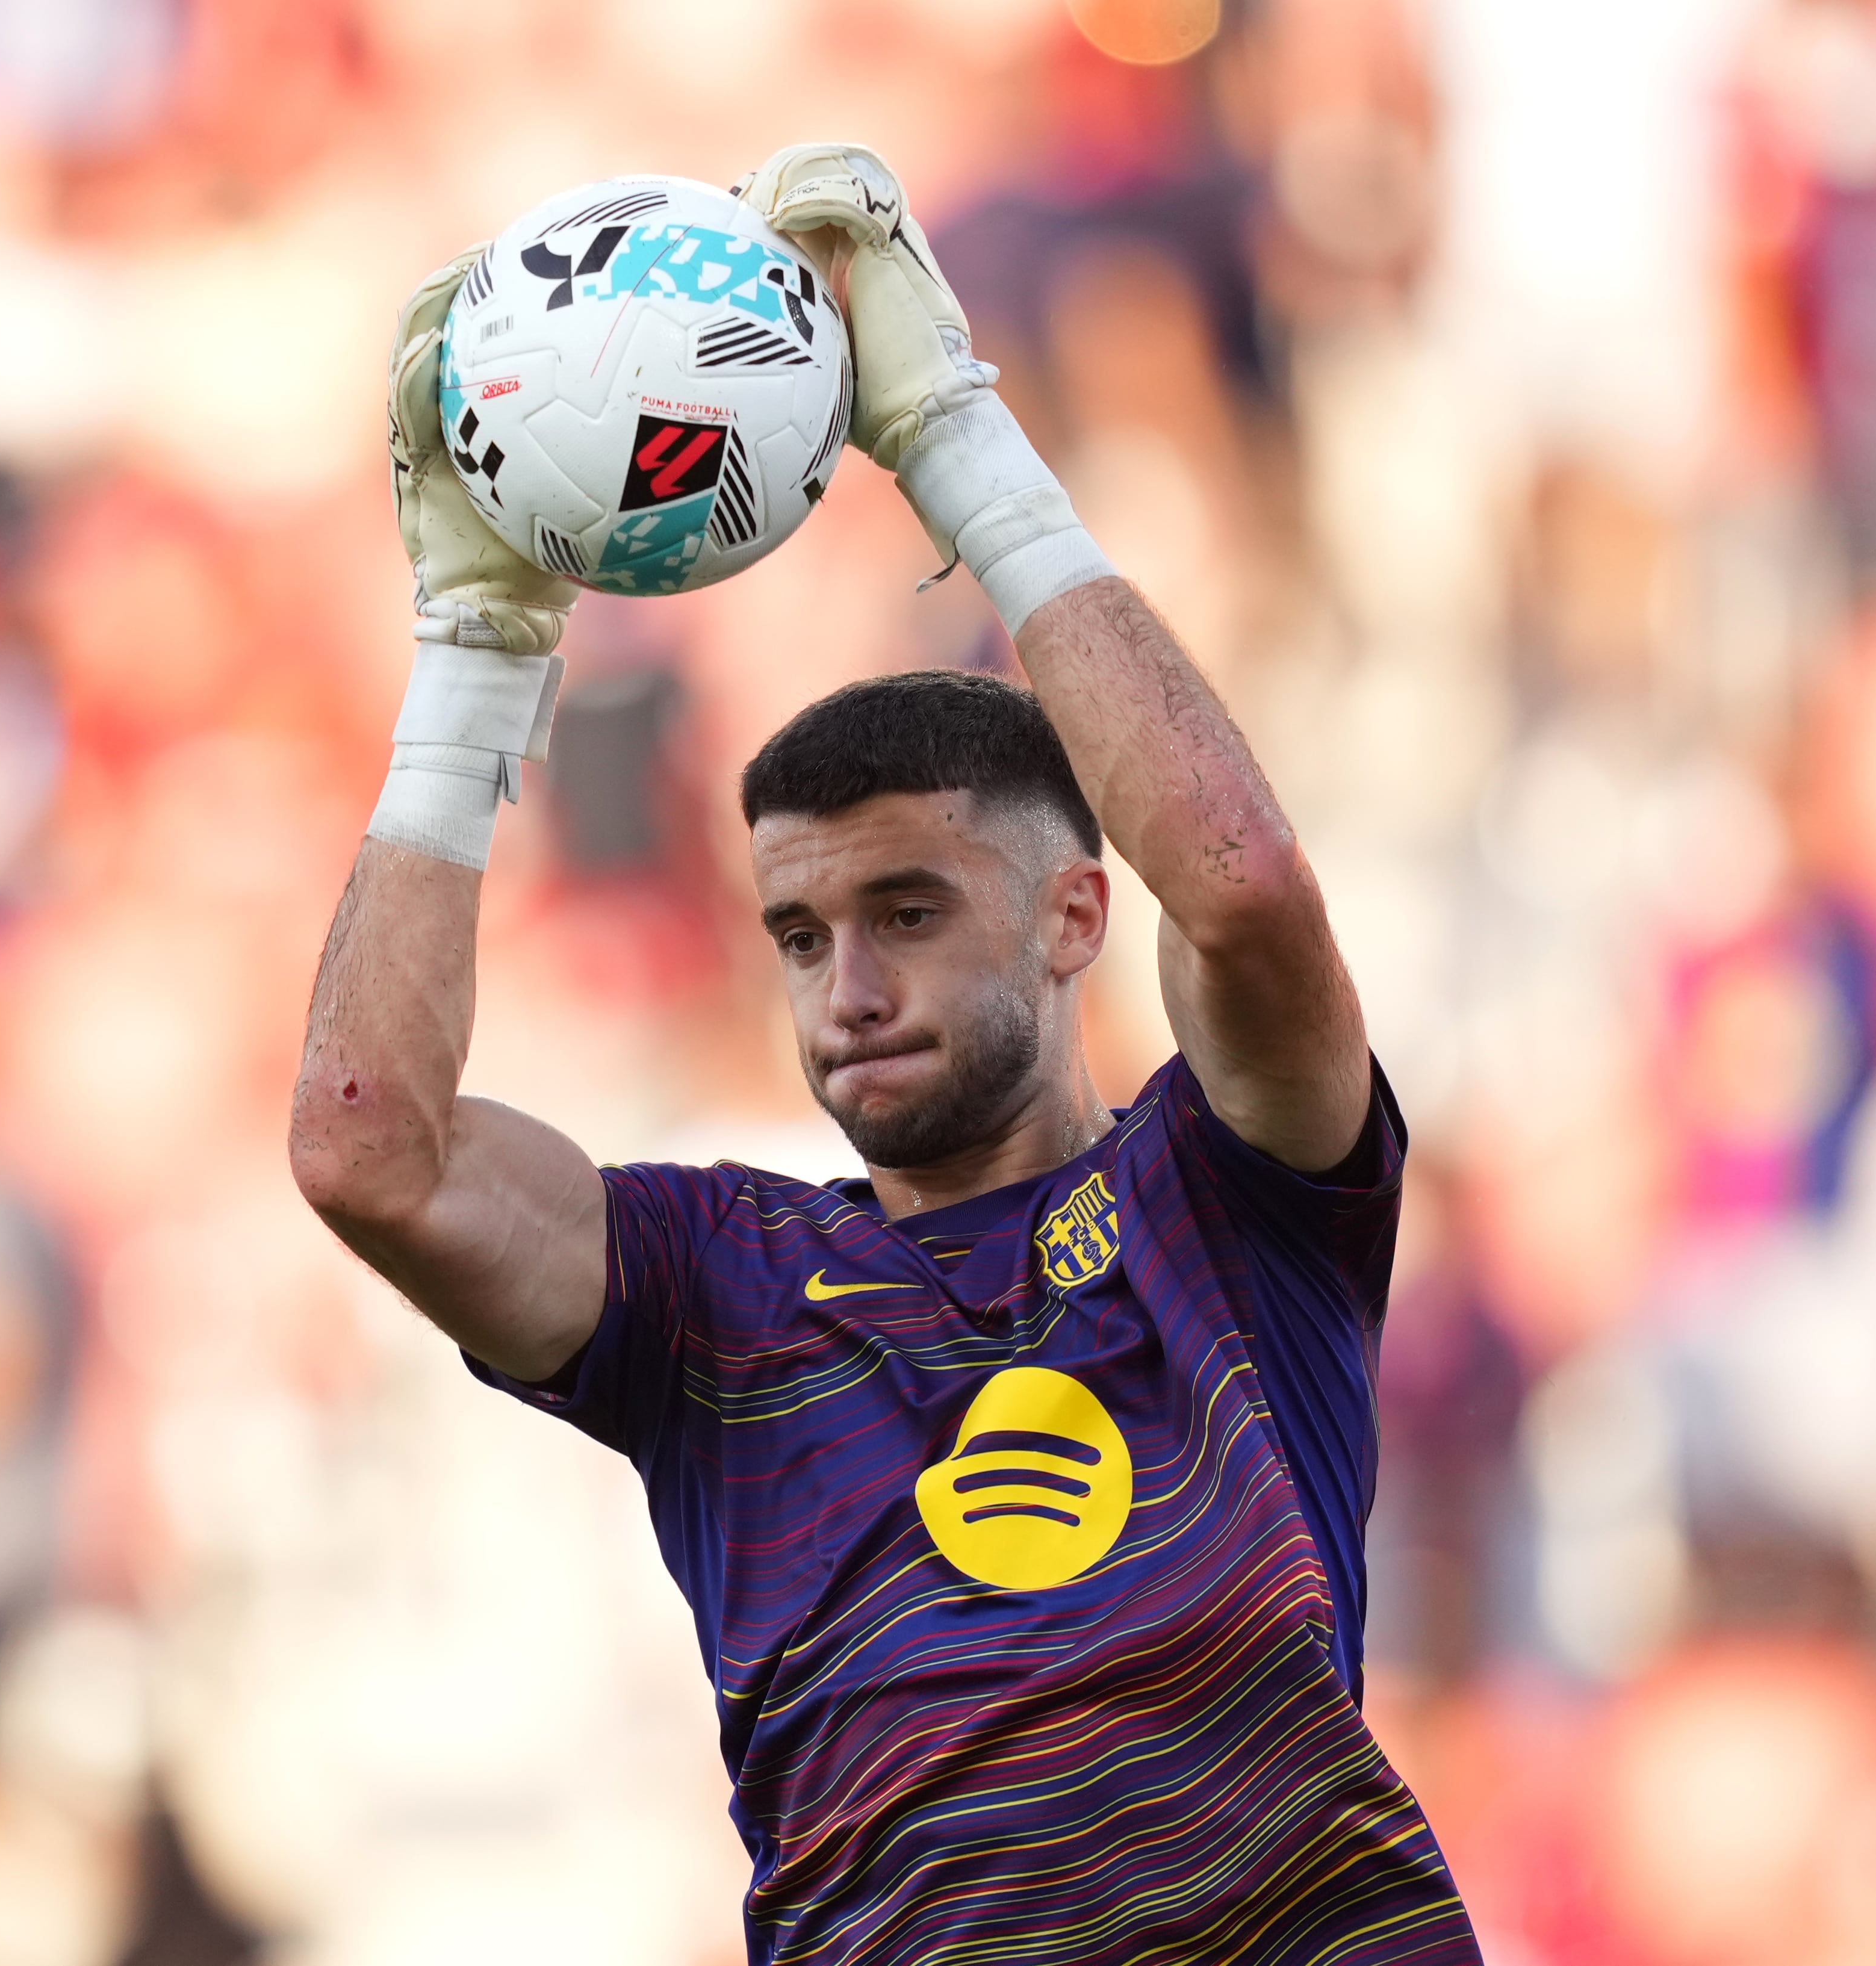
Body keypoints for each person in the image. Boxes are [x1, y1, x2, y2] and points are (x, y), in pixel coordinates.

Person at [290, 143, 1479, 1965]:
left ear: (1075, 918)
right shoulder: (718, 1291)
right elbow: (370, 1149)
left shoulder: (1233, 1202)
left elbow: (1239, 885)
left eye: (909, 913)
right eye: (799, 932)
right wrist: (475, 650)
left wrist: (950, 440)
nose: (843, 983)